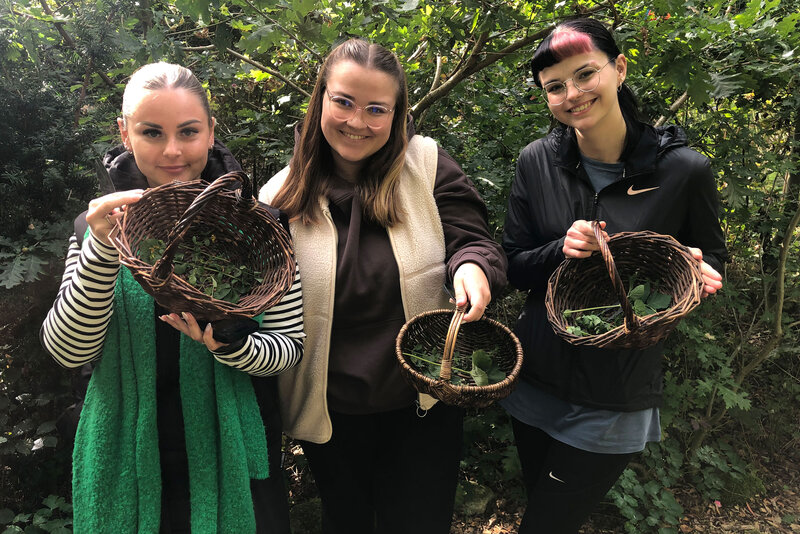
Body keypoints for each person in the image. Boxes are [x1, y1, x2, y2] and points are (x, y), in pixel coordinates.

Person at [40, 62, 304, 534]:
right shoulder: (94, 229)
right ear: (124, 133)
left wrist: (228, 341)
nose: (173, 151)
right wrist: (102, 250)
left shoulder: (260, 230)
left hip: (234, 453)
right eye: (151, 132)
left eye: (188, 131)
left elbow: (289, 348)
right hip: (125, 454)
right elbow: (69, 350)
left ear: (210, 132)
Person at [258, 39, 507, 534]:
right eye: (344, 102)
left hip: (423, 403)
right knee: (345, 521)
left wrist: (473, 267)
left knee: (419, 522)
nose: (357, 121)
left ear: (396, 114)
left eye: (377, 109)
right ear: (321, 99)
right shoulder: (279, 196)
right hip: (330, 412)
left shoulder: (427, 164)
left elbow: (472, 237)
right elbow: (262, 305)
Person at [501, 18, 727, 534]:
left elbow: (712, 259)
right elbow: (513, 263)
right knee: (541, 505)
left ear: (619, 68)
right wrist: (563, 249)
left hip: (615, 393)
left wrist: (697, 276)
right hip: (534, 379)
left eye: (585, 75)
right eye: (555, 86)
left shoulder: (683, 171)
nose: (572, 94)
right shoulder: (537, 162)